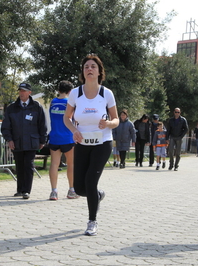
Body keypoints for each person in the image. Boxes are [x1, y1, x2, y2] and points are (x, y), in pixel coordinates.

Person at [63, 54, 119, 236]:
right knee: (79, 188)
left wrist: (108, 123)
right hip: (82, 142)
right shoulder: (75, 93)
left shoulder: (106, 93)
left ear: (99, 71)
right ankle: (97, 195)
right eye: (86, 66)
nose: (89, 69)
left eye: (93, 66)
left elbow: (116, 119)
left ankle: (92, 221)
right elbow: (67, 118)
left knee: (90, 181)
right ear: (83, 72)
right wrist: (74, 130)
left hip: (102, 143)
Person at [1, 82, 47, 200]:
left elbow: (42, 125)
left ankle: (26, 190)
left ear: (29, 93)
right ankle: (20, 189)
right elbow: (6, 126)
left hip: (32, 142)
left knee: (28, 165)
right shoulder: (12, 108)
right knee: (19, 166)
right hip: (17, 142)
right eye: (20, 91)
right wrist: (9, 139)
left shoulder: (37, 107)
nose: (21, 93)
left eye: (24, 91)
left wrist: (43, 140)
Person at [48, 80, 78, 200]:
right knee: (71, 164)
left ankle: (54, 191)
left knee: (54, 164)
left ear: (59, 90)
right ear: (70, 91)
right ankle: (71, 190)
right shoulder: (69, 103)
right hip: (67, 137)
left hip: (54, 137)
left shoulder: (52, 102)